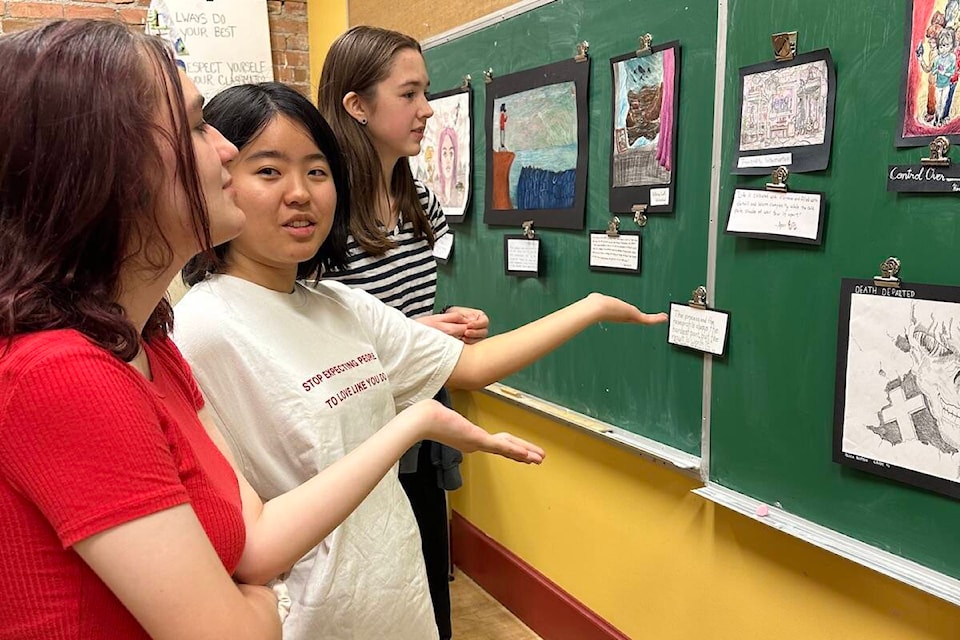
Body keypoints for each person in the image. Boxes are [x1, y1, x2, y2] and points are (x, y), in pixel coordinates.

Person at [0, 20, 544, 640]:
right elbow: (234, 628)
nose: (225, 151)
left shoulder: (150, 340)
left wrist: (410, 423)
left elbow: (252, 545)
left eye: (316, 172)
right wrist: (274, 601)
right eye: (197, 126)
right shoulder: (62, 372)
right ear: (101, 166)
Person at [173, 81, 668, 640]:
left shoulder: (340, 306)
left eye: (317, 171)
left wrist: (589, 307)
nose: (301, 193)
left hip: (396, 599)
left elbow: (471, 366)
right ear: (219, 176)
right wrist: (418, 422)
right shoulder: (202, 329)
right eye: (268, 171)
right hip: (313, 621)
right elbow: (236, 537)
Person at [316, 26, 488, 637]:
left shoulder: (418, 196)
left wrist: (446, 324)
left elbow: (412, 301)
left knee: (427, 574)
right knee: (371, 578)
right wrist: (414, 330)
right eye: (409, 94)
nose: (427, 110)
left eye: (427, 92)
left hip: (419, 404)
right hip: (356, 422)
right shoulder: (322, 208)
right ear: (356, 105)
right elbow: (310, 334)